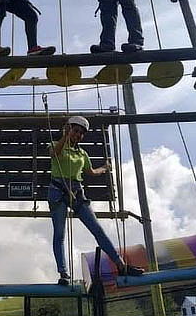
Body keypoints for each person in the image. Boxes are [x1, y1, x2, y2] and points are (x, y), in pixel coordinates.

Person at [48, 116, 144, 285]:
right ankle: (63, 273)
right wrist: (65, 135)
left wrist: (105, 168)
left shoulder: (82, 153)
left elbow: (90, 172)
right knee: (59, 234)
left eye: (81, 133)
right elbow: (54, 153)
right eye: (75, 131)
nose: (78, 135)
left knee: (97, 229)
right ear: (68, 129)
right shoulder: (58, 146)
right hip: (58, 192)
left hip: (77, 192)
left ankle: (121, 265)